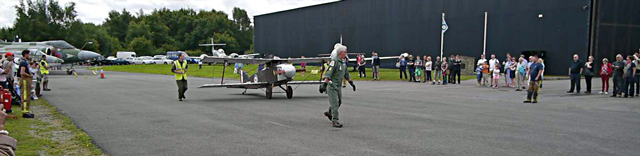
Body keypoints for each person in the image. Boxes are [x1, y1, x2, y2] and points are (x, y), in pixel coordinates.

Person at [319, 44, 355, 128]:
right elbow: (328, 73)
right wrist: (324, 85)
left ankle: (329, 112)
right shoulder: (334, 61)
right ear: (340, 52)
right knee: (334, 104)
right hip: (331, 86)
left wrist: (351, 83)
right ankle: (335, 120)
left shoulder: (343, 62)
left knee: (339, 102)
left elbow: (346, 74)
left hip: (338, 86)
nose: (346, 53)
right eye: (345, 52)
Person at [18, 50, 34, 118]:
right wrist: (29, 75)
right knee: (25, 96)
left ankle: (26, 110)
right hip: (24, 80)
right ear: (25, 54)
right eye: (28, 54)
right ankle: (24, 112)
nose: (29, 56)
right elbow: (22, 72)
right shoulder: (23, 62)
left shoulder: (25, 62)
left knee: (27, 96)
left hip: (27, 80)